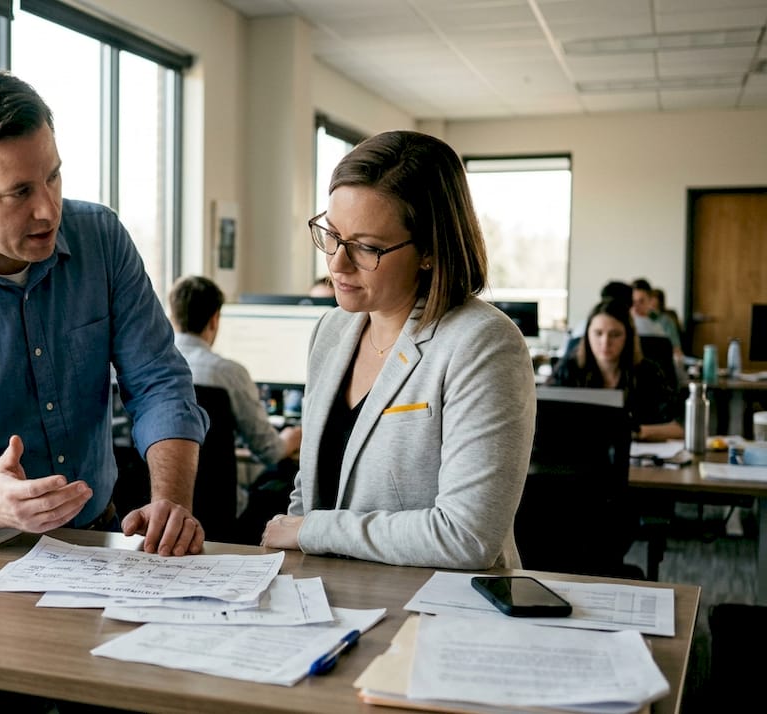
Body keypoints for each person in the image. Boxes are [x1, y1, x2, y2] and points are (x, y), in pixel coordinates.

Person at [0, 70, 209, 556]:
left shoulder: (102, 239)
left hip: (98, 532)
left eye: (53, 176)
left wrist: (171, 503)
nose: (48, 210)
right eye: (19, 192)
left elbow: (158, 381)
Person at [260, 130, 536, 569]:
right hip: (325, 597)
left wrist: (313, 531)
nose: (336, 263)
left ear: (429, 249)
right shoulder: (331, 330)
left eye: (367, 247)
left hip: (434, 610)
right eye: (332, 235)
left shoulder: (482, 342)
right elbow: (310, 487)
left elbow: (466, 535)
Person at [169, 275, 303, 468]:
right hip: (216, 495)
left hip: (154, 494)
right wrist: (292, 437)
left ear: (172, 317)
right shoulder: (229, 374)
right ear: (214, 320)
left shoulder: (154, 369)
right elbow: (270, 451)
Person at [549, 298, 683, 442]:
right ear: (587, 335)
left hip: (638, 459)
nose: (605, 342)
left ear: (628, 337)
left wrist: (634, 432)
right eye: (598, 333)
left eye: (615, 335)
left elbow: (678, 428)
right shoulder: (569, 368)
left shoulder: (648, 373)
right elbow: (541, 415)